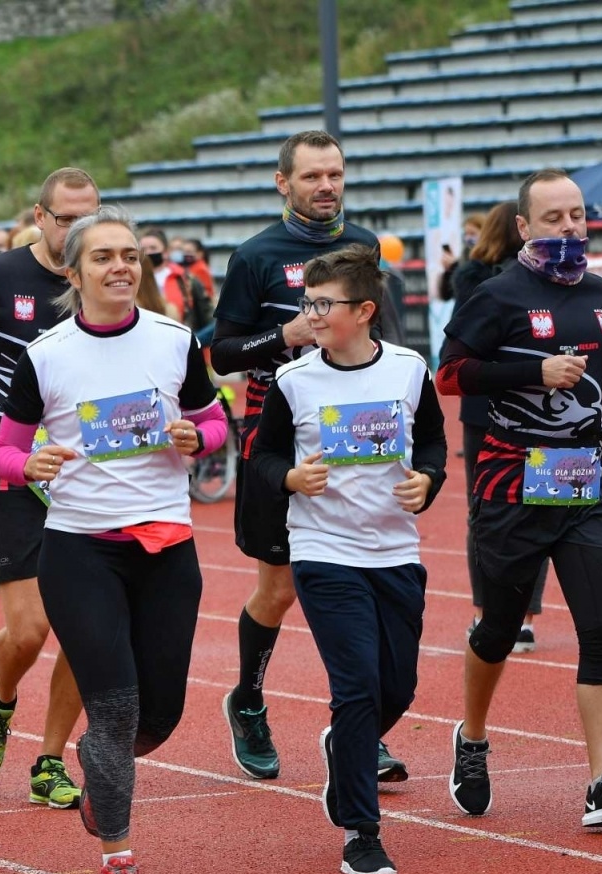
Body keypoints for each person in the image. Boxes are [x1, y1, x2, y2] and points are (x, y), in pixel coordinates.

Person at [0, 207, 226, 874]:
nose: (121, 266)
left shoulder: (175, 341)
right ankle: (117, 858)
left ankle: (99, 764)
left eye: (129, 255)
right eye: (103, 257)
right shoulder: (48, 354)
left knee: (161, 715)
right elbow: (4, 450)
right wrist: (31, 463)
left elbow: (215, 421)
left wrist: (197, 437)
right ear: (75, 271)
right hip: (82, 550)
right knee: (116, 710)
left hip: (167, 548)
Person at [210, 129, 407, 783]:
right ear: (283, 183)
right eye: (312, 176)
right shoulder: (256, 257)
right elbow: (221, 354)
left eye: (335, 174)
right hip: (278, 438)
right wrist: (284, 334)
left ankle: (360, 726)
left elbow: (382, 334)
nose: (326, 186)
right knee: (280, 588)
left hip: (352, 443)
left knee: (361, 582)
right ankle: (248, 700)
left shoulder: (366, 248)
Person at [248, 245, 447, 874]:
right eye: (307, 303)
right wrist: (291, 478)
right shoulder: (293, 380)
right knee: (356, 686)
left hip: (395, 552)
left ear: (364, 311)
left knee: (398, 687)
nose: (311, 315)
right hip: (324, 552)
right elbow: (264, 458)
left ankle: (346, 745)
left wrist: (430, 479)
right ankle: (362, 832)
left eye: (323, 304)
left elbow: (436, 441)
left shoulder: (410, 370)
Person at [437, 169, 602, 827]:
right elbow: (449, 376)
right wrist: (532, 371)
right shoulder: (497, 296)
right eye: (554, 218)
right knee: (498, 628)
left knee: (600, 629)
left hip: (586, 483)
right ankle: (473, 736)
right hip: (512, 487)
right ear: (525, 227)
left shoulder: (601, 292)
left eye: (576, 215)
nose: (570, 227)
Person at [0, 166, 100, 811]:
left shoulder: (104, 279)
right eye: (67, 219)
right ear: (40, 216)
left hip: (87, 475)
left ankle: (49, 759)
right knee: (31, 630)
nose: (79, 231)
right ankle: (1, 698)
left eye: (90, 218)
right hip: (11, 466)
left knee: (86, 631)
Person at [450, 203, 548, 650]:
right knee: (536, 507)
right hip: (529, 406)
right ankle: (516, 616)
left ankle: (490, 612)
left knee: (489, 510)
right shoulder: (499, 281)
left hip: (488, 408)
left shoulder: (473, 278)